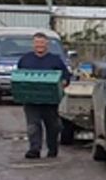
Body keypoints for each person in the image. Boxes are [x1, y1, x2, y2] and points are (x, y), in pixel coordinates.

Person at [15, 31, 71, 160]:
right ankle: (34, 149)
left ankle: (52, 149)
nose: (39, 45)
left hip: (50, 101)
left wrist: (63, 83)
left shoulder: (55, 60)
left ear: (47, 44)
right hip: (31, 100)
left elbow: (66, 77)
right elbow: (18, 77)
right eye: (37, 43)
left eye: (42, 43)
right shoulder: (25, 60)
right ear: (33, 44)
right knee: (33, 126)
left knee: (53, 126)